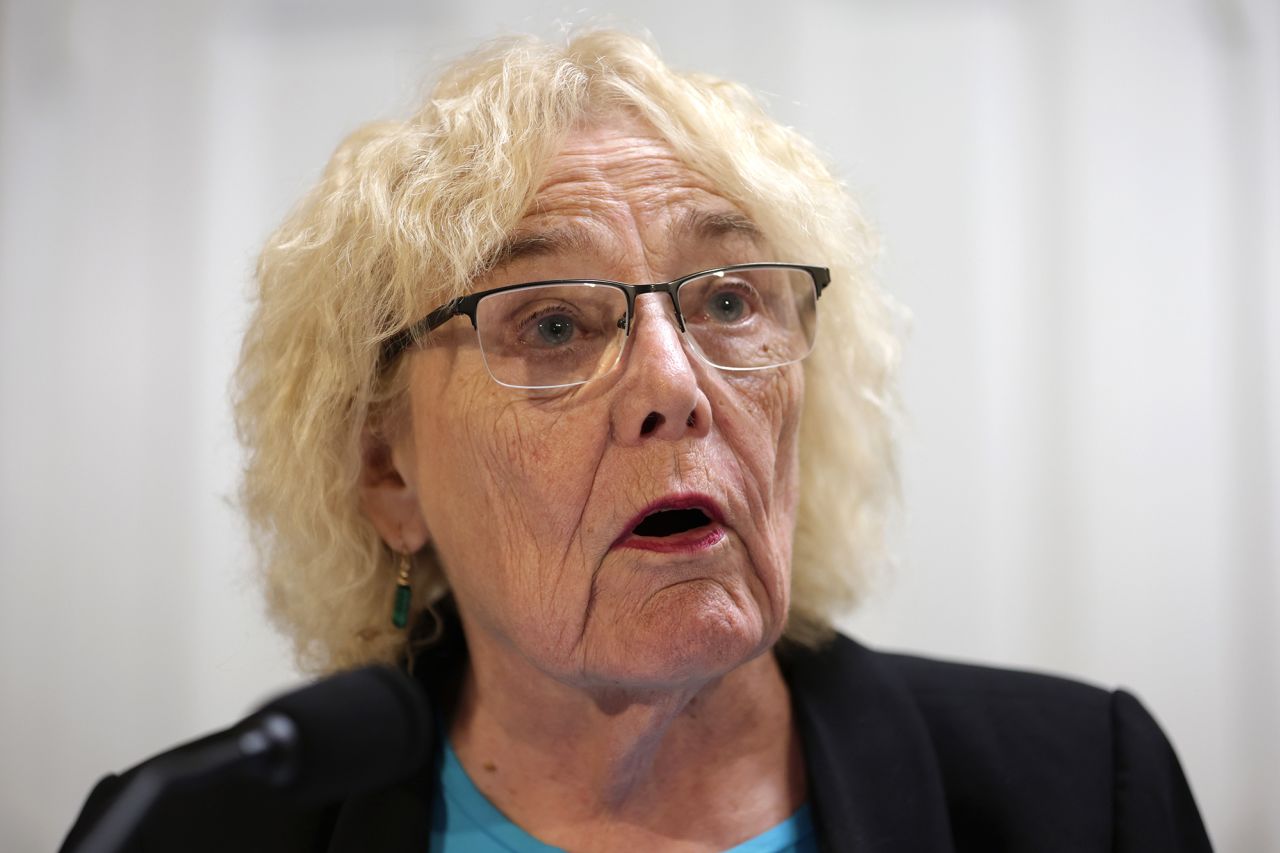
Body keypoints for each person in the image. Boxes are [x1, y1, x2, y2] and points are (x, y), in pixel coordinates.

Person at [61, 31, 1212, 852]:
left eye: (726, 302)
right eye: (551, 323)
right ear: (385, 470)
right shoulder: (190, 825)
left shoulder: (1081, 792)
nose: (675, 384)